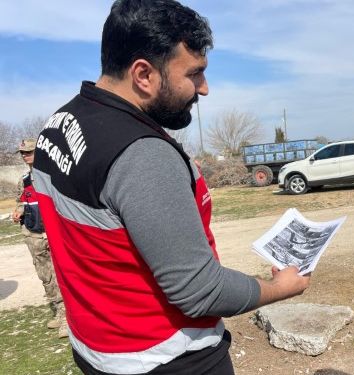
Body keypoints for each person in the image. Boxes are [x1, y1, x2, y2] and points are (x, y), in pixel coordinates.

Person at [31, 1, 310, 374]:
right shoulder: (141, 154)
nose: (204, 89)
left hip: (97, 350)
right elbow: (200, 290)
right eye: (194, 74)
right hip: (167, 358)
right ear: (143, 74)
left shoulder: (61, 122)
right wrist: (281, 288)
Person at [11, 139, 68, 339]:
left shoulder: (54, 175)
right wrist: (18, 211)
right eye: (22, 153)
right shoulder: (24, 178)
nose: (25, 155)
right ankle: (59, 313)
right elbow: (22, 200)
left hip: (54, 233)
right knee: (46, 276)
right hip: (33, 234)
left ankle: (67, 318)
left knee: (61, 274)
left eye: (29, 152)